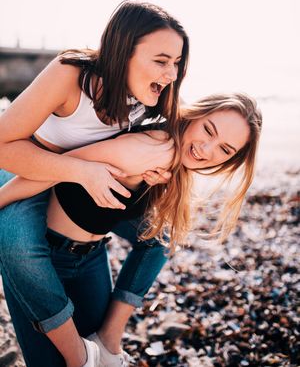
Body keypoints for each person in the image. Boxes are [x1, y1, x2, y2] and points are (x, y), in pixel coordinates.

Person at [0, 93, 262, 367]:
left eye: (224, 150)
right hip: (45, 261)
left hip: (91, 258)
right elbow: (52, 170)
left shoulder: (173, 160)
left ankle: (109, 340)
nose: (207, 150)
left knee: (162, 235)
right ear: (195, 115)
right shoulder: (148, 150)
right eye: (209, 130)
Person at [0, 0, 189, 367]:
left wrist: (151, 172)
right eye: (162, 60)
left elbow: (188, 134)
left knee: (161, 236)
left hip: (79, 184)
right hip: (28, 167)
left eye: (177, 64)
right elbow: (3, 146)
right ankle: (80, 356)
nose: (171, 74)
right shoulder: (72, 76)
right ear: (123, 49)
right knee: (16, 244)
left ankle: (110, 338)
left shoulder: (150, 98)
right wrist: (80, 172)